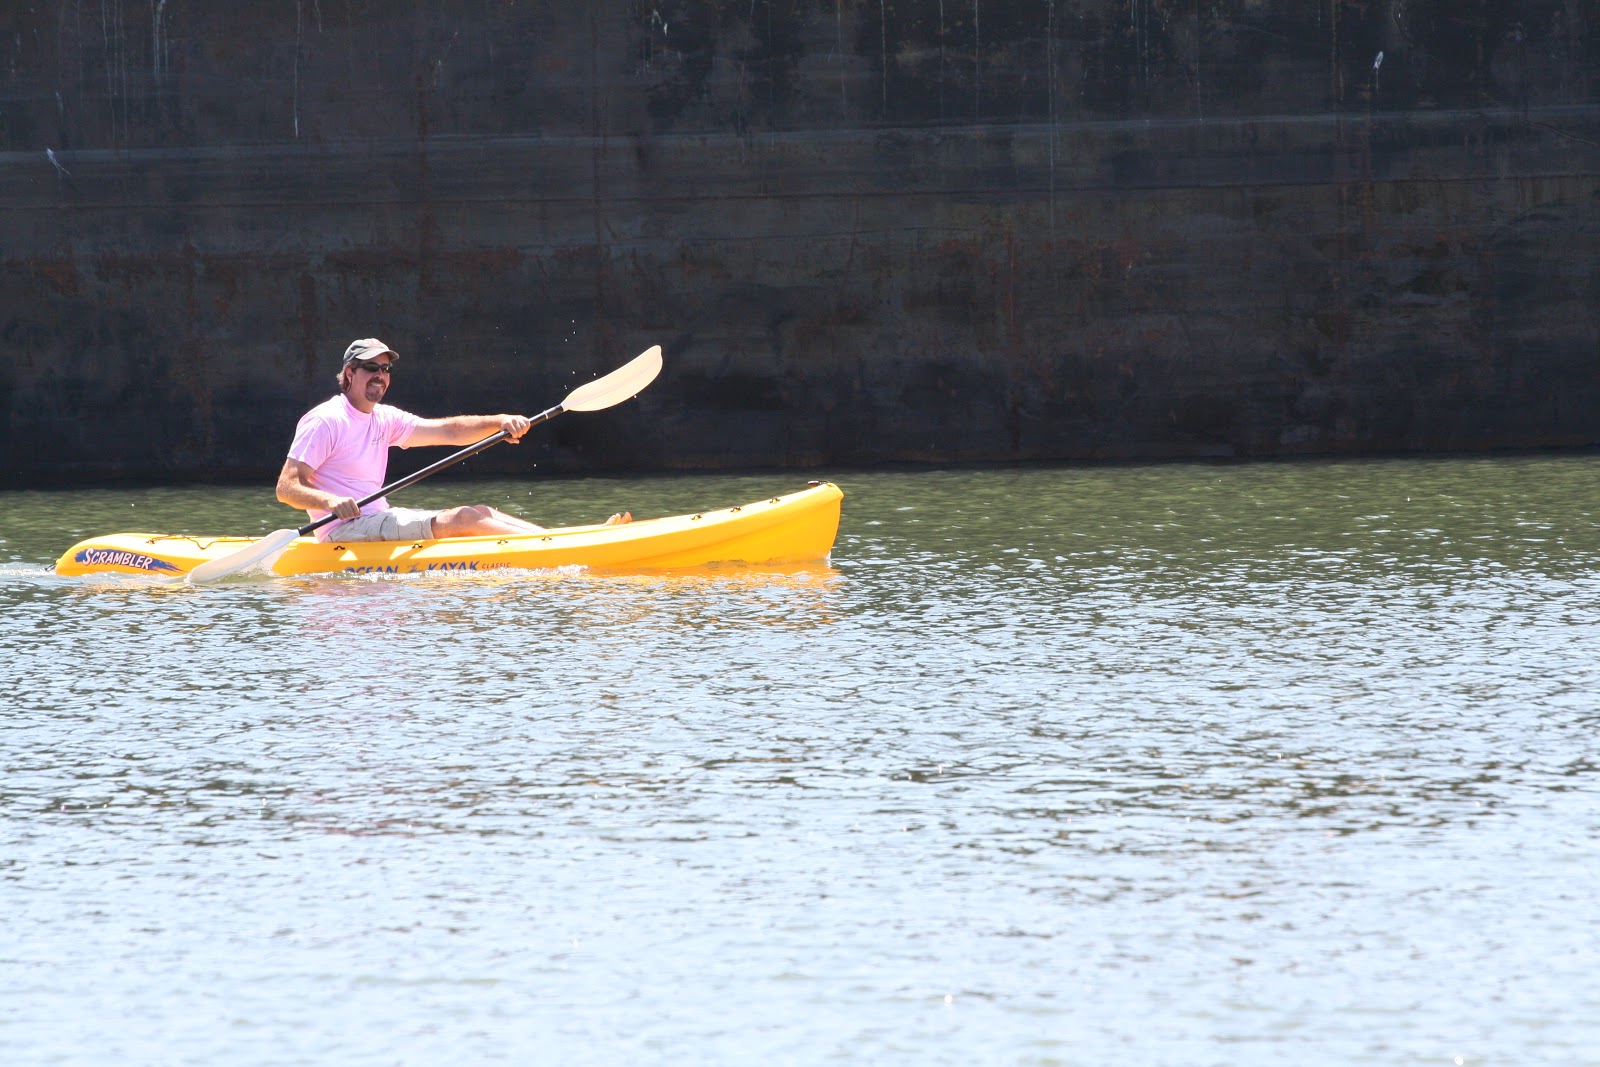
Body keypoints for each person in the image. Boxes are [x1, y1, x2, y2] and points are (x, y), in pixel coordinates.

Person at [276, 338, 629, 542]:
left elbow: (449, 431)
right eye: (371, 368)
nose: (380, 376)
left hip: (377, 518)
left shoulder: (384, 418)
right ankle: (555, 549)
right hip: (343, 530)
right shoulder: (326, 420)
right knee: (462, 518)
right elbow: (286, 487)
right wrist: (331, 500)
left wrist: (499, 422)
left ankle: (561, 541)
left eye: (386, 369)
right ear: (350, 373)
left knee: (482, 512)